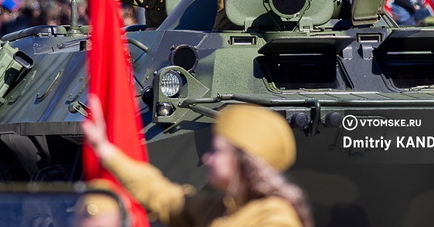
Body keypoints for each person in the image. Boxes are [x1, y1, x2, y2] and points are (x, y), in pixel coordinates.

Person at [82, 95, 313, 227]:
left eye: (218, 151)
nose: (207, 158)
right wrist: (106, 151)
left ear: (245, 161)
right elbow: (163, 196)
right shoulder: (220, 208)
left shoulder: (276, 219)